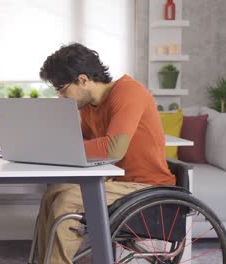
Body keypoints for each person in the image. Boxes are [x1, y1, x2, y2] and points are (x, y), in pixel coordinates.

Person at [37, 43, 176, 263]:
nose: (62, 97)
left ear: (82, 80)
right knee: (53, 193)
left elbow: (113, 148)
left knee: (67, 202)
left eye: (62, 90)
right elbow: (81, 143)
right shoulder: (89, 106)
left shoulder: (129, 92)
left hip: (146, 186)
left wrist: (59, 148)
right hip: (116, 181)